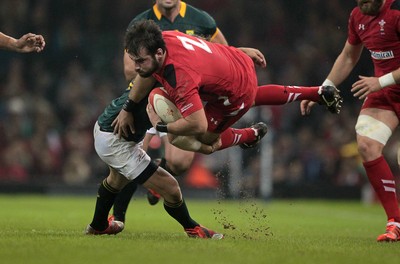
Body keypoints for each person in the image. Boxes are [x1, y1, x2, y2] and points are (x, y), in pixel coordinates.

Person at [122, 20, 341, 170]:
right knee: (158, 98)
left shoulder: (180, 76)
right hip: (234, 59)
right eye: (135, 61)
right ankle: (317, 92)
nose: (137, 67)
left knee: (206, 140)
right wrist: (128, 108)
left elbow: (197, 125)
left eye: (141, 61)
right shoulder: (164, 38)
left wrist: (163, 127)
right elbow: (202, 48)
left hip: (237, 90)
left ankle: (247, 135)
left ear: (159, 53)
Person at [110, 0, 229, 222]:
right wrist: (166, 75)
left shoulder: (201, 20)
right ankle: (118, 218)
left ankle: (157, 176)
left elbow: (223, 54)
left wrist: (242, 53)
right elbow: (129, 71)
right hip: (147, 100)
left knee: (180, 163)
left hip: (182, 102)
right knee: (131, 158)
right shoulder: (141, 22)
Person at [301, 0, 400, 242]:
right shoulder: (358, 15)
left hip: (384, 84)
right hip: (386, 92)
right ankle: (395, 223)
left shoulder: (397, 11)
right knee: (366, 145)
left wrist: (381, 81)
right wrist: (323, 90)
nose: (362, 3)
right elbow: (348, 56)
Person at [85, 81, 223, 239]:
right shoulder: (166, 77)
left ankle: (98, 225)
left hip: (112, 129)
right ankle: (193, 228)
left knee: (117, 180)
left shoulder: (155, 72)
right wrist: (207, 148)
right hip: (116, 138)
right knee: (171, 188)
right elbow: (176, 138)